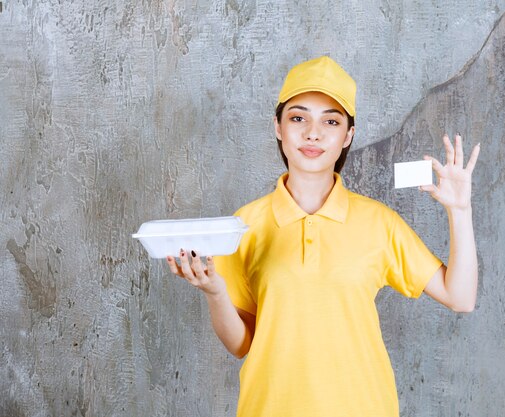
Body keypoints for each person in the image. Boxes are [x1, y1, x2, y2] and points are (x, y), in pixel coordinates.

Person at [166, 56, 480, 417]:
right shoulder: (245, 225)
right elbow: (241, 344)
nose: (312, 133)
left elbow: (461, 297)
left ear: (348, 135)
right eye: (298, 118)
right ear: (278, 127)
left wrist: (460, 211)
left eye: (330, 121)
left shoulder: (379, 223)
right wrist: (215, 292)